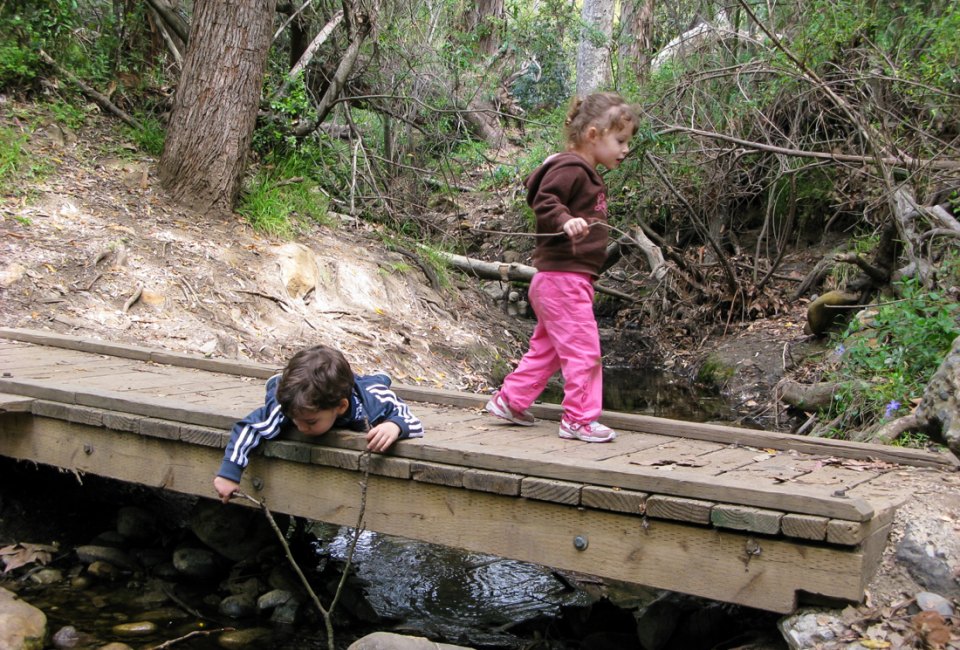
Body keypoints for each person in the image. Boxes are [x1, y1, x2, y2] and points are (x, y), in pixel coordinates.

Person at [485, 92, 638, 443]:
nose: (625, 149)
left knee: (550, 349)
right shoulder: (571, 167)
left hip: (561, 280)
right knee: (584, 351)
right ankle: (579, 419)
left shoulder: (583, 170)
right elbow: (544, 199)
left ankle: (511, 401)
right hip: (563, 280)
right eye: (620, 141)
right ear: (593, 135)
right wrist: (565, 220)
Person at [213, 345, 424, 503]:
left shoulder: (372, 403)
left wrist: (395, 426)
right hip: (292, 394)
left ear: (340, 407)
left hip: (363, 388)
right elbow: (249, 428)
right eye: (295, 420)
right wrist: (229, 473)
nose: (301, 427)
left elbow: (412, 420)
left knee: (374, 385)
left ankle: (379, 378)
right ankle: (275, 381)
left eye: (310, 422)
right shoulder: (287, 406)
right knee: (274, 394)